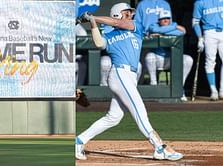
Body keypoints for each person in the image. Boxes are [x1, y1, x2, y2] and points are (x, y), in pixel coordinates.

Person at [75, 3, 183, 161]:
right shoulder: (110, 35)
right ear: (117, 14)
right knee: (140, 111)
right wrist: (92, 23)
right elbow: (99, 44)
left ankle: (79, 141)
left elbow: (118, 23)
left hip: (129, 75)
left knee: (114, 117)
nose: (130, 15)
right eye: (126, 13)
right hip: (120, 73)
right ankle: (160, 147)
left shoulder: (135, 26)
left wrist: (93, 17)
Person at [145, 10, 193, 101]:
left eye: (167, 18)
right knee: (149, 56)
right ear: (159, 20)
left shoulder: (174, 25)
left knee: (188, 59)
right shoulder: (153, 25)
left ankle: (179, 88)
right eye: (163, 19)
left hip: (172, 59)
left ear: (170, 19)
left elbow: (182, 32)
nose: (165, 20)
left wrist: (163, 33)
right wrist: (173, 28)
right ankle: (154, 86)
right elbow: (155, 30)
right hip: (158, 58)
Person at [192, 0, 223, 101]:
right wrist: (199, 37)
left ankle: (222, 90)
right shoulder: (200, 3)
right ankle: (213, 90)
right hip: (209, 32)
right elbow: (195, 22)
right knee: (210, 62)